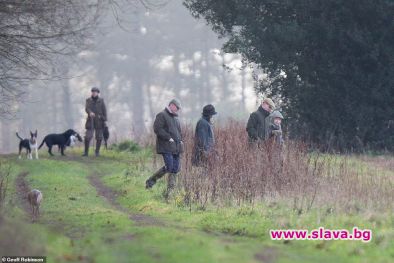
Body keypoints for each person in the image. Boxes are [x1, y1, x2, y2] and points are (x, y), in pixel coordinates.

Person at [145, 99, 184, 198]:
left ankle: (169, 193)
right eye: (177, 107)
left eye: (179, 108)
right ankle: (151, 181)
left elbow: (178, 133)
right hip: (166, 146)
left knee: (175, 169)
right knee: (169, 167)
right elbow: (157, 129)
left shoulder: (176, 119)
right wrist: (168, 137)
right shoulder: (162, 115)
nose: (178, 109)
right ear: (171, 105)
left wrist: (180, 141)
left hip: (176, 147)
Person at [82, 87, 107, 157]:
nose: (94, 93)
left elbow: (104, 110)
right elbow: (87, 108)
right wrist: (90, 113)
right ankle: (86, 152)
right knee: (87, 137)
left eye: (95, 92)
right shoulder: (88, 100)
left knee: (99, 137)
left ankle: (97, 152)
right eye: (93, 91)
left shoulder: (101, 101)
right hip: (90, 121)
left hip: (99, 121)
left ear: (98, 93)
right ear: (91, 92)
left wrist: (103, 118)